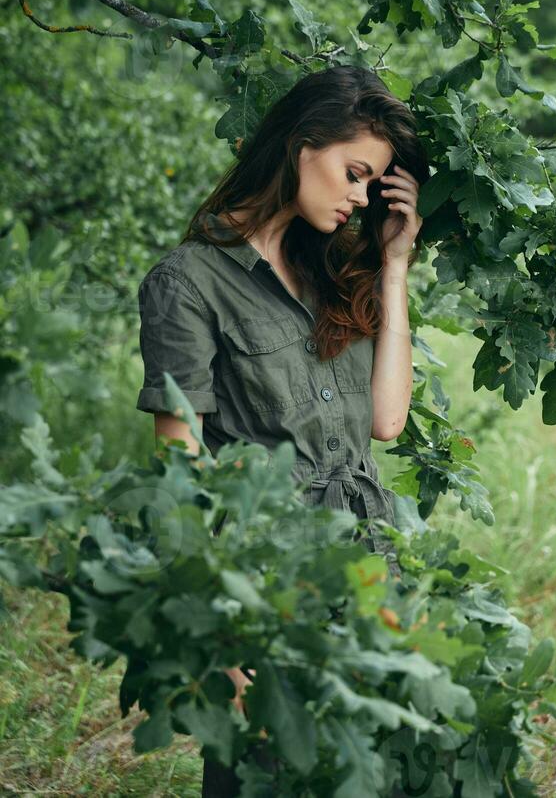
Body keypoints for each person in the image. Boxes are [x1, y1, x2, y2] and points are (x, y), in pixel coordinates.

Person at [135, 64, 430, 795]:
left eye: (372, 182)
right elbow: (180, 469)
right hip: (268, 591)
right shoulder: (190, 280)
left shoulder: (331, 270)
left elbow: (387, 422)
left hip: (367, 574)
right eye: (354, 172)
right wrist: (218, 633)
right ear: (303, 146)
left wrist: (394, 268)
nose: (361, 196)